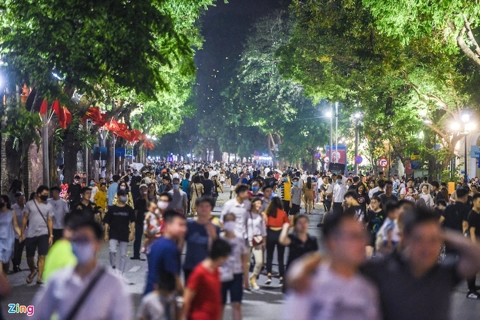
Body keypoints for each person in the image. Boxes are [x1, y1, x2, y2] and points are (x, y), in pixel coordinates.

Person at [283, 209, 380, 320]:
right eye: (354, 236)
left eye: (363, 236)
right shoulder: (308, 283)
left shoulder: (367, 287)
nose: (363, 243)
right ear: (332, 241)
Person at [30, 220, 133, 320]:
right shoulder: (57, 280)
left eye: (86, 240)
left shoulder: (114, 284)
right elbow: (37, 314)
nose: (81, 244)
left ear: (98, 244)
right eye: (77, 240)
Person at [182, 238, 232, 320]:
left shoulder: (215, 271)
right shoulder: (199, 272)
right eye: (226, 257)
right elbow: (187, 299)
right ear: (220, 257)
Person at [144, 211, 186, 295]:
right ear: (169, 225)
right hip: (160, 296)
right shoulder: (169, 248)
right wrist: (184, 295)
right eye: (180, 225)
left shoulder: (157, 243)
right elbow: (174, 277)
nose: (184, 229)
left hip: (150, 293)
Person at [20, 185, 54, 284]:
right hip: (31, 233)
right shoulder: (30, 204)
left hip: (43, 233)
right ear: (38, 194)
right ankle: (33, 270)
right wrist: (22, 233)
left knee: (42, 255)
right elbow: (25, 218)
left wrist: (51, 235)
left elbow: (50, 220)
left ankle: (40, 277)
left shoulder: (49, 206)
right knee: (29, 257)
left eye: (47, 194)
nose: (45, 196)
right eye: (44, 194)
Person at [182, 197, 221, 283]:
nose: (204, 208)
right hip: (190, 267)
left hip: (207, 268)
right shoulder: (189, 225)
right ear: (197, 207)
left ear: (211, 208)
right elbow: (180, 245)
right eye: (201, 206)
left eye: (207, 206)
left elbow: (217, 249)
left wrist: (213, 235)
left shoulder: (215, 228)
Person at [220, 213, 249, 320]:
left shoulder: (240, 239)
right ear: (223, 223)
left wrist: (246, 279)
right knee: (220, 305)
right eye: (227, 220)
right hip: (221, 274)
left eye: (232, 220)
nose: (230, 223)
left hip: (236, 274)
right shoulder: (219, 239)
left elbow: (244, 259)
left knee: (236, 304)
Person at [279, 214, 318, 290]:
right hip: (292, 273)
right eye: (300, 223)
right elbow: (282, 240)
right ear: (296, 225)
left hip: (306, 275)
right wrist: (285, 228)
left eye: (305, 222)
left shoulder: (312, 240)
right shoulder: (292, 238)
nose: (303, 225)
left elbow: (315, 257)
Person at [103, 189, 136, 274]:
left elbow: (132, 221)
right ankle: (113, 267)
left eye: (125, 195)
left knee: (123, 254)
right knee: (112, 251)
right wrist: (105, 234)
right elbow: (107, 222)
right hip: (113, 233)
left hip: (124, 233)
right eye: (122, 195)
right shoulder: (112, 209)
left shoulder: (129, 209)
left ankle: (121, 273)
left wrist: (132, 232)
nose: (124, 197)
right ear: (117, 197)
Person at [265, 197, 290, 286]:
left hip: (270, 233)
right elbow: (288, 224)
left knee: (269, 256)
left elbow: (265, 224)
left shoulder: (268, 213)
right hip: (280, 233)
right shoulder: (283, 213)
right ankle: (281, 277)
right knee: (280, 257)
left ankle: (269, 275)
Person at [246, 197, 266, 290]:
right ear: (253, 204)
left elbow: (263, 230)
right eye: (257, 203)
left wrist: (264, 242)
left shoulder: (260, 216)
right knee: (246, 263)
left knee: (259, 262)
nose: (259, 205)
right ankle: (245, 281)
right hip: (246, 241)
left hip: (257, 241)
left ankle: (253, 278)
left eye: (260, 204)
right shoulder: (247, 214)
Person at [0, 195, 20, 273]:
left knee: (6, 261)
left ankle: (4, 274)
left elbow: (15, 226)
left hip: (8, 239)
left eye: (1, 200)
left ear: (6, 202)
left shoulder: (11, 213)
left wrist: (21, 235)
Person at [466, 193, 480, 298]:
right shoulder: (472, 214)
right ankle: (471, 291)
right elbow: (472, 232)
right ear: (474, 202)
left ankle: (473, 287)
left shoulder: (478, 213)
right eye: (479, 201)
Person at [132, 184, 148, 260]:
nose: (143, 191)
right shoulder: (138, 200)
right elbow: (136, 211)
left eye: (145, 189)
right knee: (138, 238)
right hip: (139, 221)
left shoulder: (150, 199)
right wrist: (134, 221)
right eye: (142, 189)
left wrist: (146, 198)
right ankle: (136, 254)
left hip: (148, 222)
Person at [11, 192, 26, 273]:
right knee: (15, 249)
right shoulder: (13, 208)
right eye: (20, 198)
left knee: (20, 249)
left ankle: (18, 264)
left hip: (24, 232)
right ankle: (15, 265)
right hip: (15, 232)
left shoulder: (26, 207)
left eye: (22, 198)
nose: (21, 200)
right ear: (17, 199)